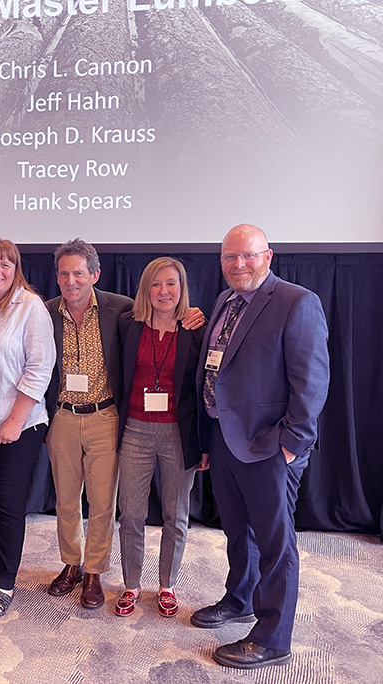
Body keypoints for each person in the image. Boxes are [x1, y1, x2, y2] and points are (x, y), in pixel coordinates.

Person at [191, 224, 329, 669]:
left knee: (275, 542)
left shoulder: (297, 302)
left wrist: (291, 445)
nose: (238, 265)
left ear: (267, 256)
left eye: (247, 256)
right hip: (226, 439)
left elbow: (311, 383)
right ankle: (240, 598)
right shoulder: (224, 301)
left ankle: (273, 637)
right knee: (237, 530)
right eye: (230, 258)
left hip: (270, 445)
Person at [45, 239, 204, 610]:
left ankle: (97, 573)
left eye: (79, 272)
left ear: (94, 274)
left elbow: (169, 321)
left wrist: (191, 315)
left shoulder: (120, 309)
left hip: (108, 417)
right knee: (68, 501)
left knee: (104, 503)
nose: (71, 280)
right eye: (64, 273)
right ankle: (73, 564)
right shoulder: (47, 312)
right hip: (66, 417)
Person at [0, 238, 55, 618]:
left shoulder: (29, 307)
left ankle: (4, 583)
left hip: (17, 425)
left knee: (7, 503)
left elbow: (40, 367)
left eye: (5, 264)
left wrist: (15, 420)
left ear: (16, 269)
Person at [115, 257, 207, 619]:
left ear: (182, 289)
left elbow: (203, 392)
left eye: (171, 284)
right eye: (156, 284)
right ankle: (131, 585)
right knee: (132, 514)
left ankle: (167, 584)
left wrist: (203, 442)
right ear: (145, 289)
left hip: (177, 434)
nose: (163, 291)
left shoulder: (196, 330)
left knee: (175, 514)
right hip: (135, 429)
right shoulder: (129, 325)